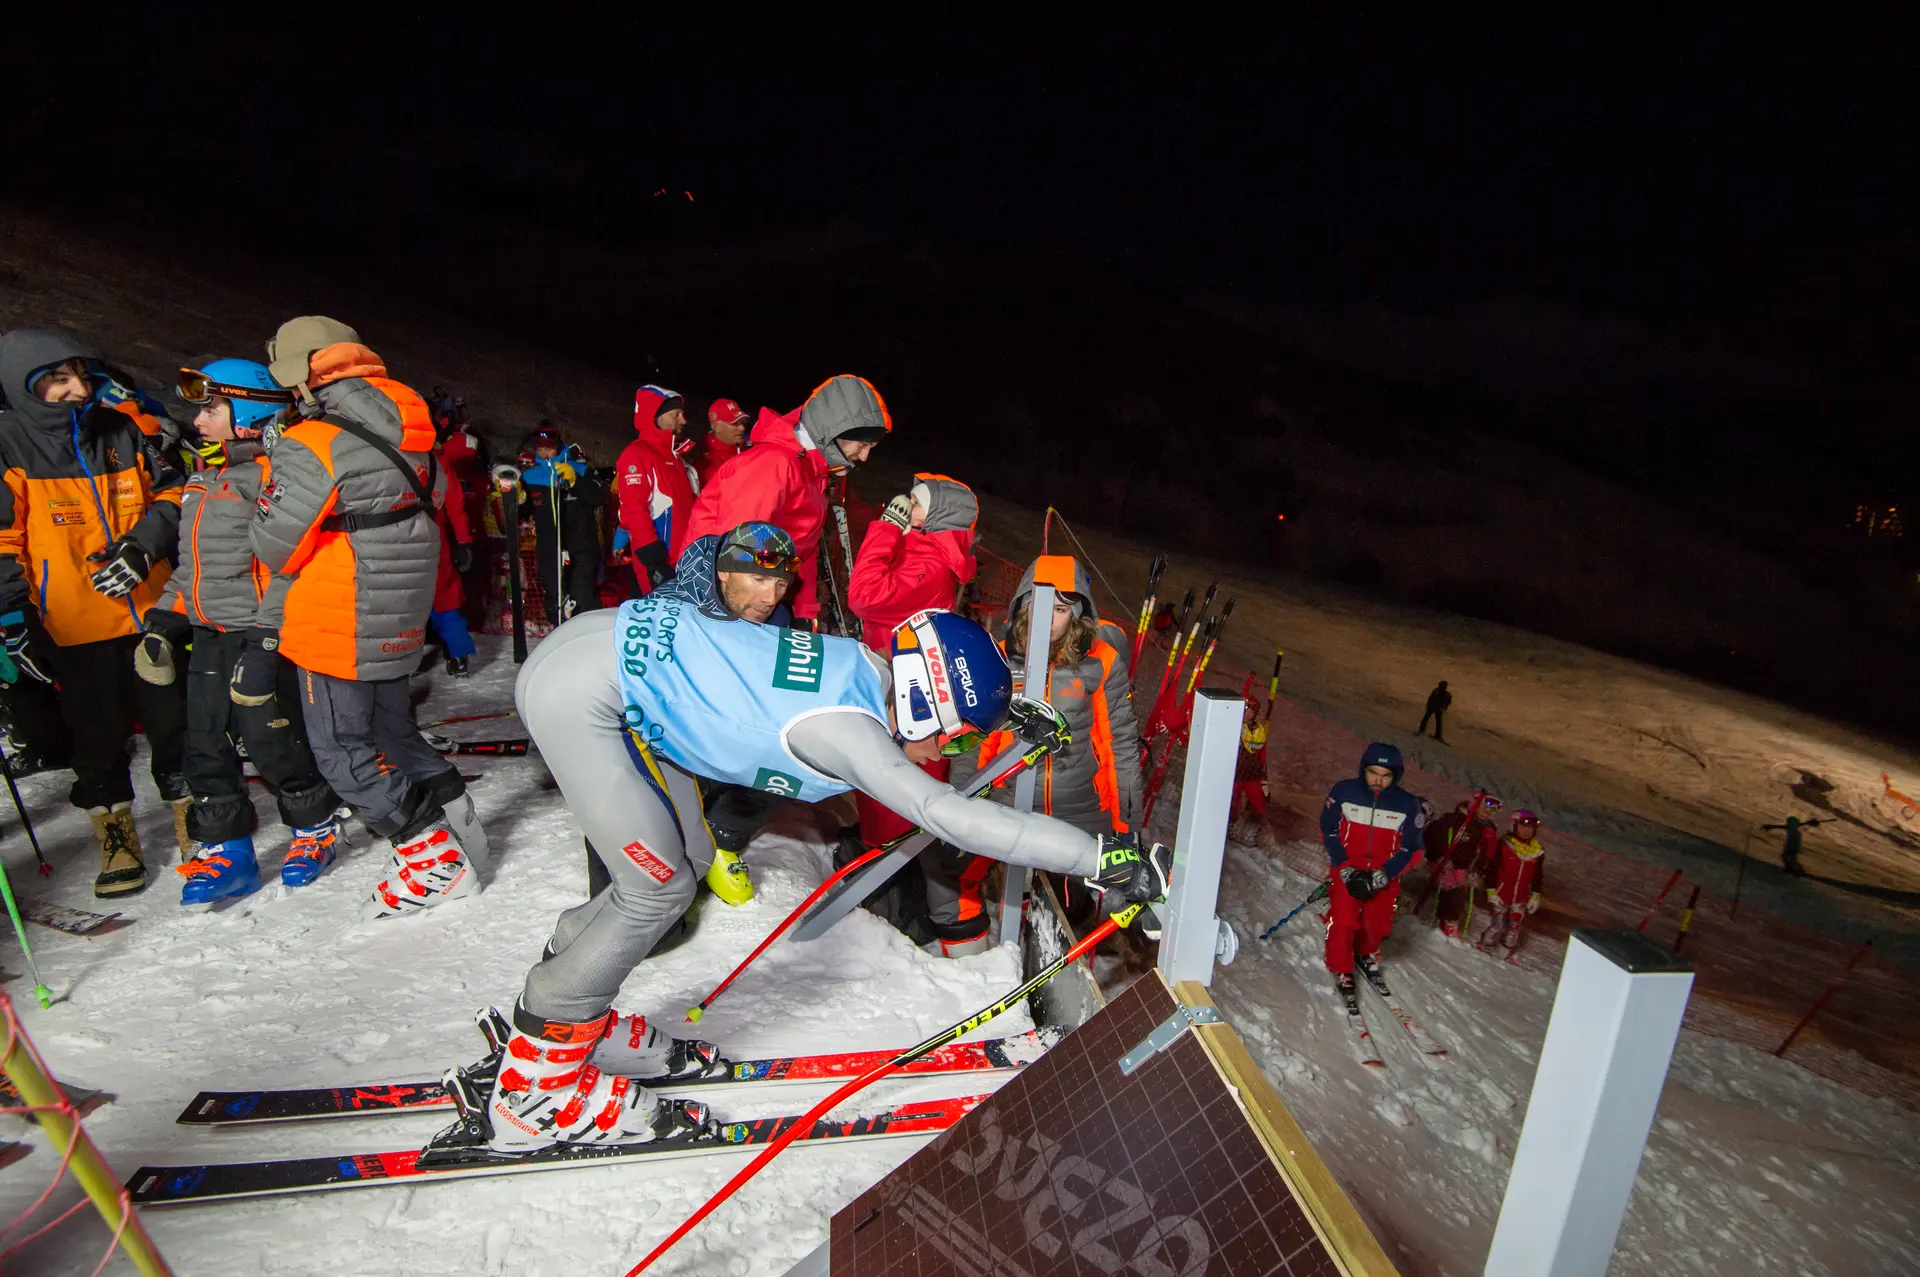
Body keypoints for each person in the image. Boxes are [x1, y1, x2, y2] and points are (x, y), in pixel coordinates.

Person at [473, 521, 1170, 1153]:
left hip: (606, 648)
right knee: (653, 890)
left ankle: (572, 1008)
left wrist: (1005, 710)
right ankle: (537, 1084)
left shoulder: (865, 665)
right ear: (923, 705)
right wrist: (1098, 855)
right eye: (954, 736)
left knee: (687, 861)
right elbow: (953, 816)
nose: (947, 750)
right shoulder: (852, 735)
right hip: (583, 696)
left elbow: (942, 675)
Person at [247, 316, 488, 920]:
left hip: (337, 614)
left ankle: (433, 860)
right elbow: (433, 502)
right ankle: (459, 820)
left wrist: (273, 478)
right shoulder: (413, 425)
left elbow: (275, 547)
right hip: (398, 609)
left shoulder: (312, 439)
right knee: (392, 732)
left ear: (302, 374)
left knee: (341, 751)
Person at [137, 360, 344, 905]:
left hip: (259, 629)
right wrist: (163, 622)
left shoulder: (275, 477)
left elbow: (288, 565)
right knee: (202, 739)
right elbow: (191, 568)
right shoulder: (203, 479)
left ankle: (315, 827)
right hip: (207, 633)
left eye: (212, 408)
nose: (198, 420)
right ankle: (228, 849)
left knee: (269, 735)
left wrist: (270, 635)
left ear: (249, 413)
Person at [0, 329, 190, 895]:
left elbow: (176, 492)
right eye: (59, 380)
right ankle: (116, 837)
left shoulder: (120, 428)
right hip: (71, 625)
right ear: (23, 384)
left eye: (81, 375)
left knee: (175, 724)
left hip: (151, 612)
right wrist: (12, 617)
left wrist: (143, 547)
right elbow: (2, 540)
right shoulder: (8, 445)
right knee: (97, 737)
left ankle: (195, 820)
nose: (78, 389)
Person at [950, 556, 1142, 939]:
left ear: (1077, 612)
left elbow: (1118, 742)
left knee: (1063, 904)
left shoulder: (1101, 661)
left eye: (1060, 609)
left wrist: (1126, 823)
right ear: (1023, 605)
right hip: (1010, 797)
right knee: (959, 869)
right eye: (1040, 606)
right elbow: (977, 736)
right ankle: (972, 941)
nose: (1048, 619)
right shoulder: (999, 656)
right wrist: (961, 797)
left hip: (1078, 808)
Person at [844, 475, 983, 952]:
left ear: (938, 518)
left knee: (891, 799)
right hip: (897, 686)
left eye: (916, 505)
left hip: (903, 700)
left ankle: (896, 900)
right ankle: (892, 879)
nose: (905, 508)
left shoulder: (929, 564)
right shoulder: (924, 552)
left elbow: (863, 596)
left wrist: (885, 527)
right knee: (889, 797)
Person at [676, 375, 892, 630]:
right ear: (832, 431)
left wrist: (804, 611)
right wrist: (734, 626)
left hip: (763, 595)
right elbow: (737, 554)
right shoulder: (773, 464)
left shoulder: (812, 471)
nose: (864, 457)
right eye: (863, 445)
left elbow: (802, 548)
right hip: (714, 599)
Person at [1319, 743, 1426, 994]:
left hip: (1383, 873)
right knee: (1344, 921)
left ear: (1395, 776)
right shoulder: (1344, 791)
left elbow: (1412, 849)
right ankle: (1341, 966)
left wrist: (1385, 874)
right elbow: (1329, 829)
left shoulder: (1407, 805)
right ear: (1363, 770)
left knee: (1376, 926)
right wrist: (1344, 866)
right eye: (1373, 773)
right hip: (1348, 868)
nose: (1378, 781)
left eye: (1385, 776)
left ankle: (1364, 951)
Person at [613, 387, 696, 595]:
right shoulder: (637, 454)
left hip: (685, 562)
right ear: (656, 416)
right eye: (676, 414)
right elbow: (633, 510)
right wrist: (653, 562)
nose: (683, 420)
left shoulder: (676, 458)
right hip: (661, 565)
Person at [521, 424, 606, 622]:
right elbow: (523, 512)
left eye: (549, 448)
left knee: (582, 595)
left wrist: (575, 481)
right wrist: (516, 497)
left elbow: (598, 497)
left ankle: (586, 632)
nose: (545, 453)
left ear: (558, 447)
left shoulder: (581, 470)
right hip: (550, 548)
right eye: (540, 449)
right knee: (555, 598)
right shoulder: (531, 476)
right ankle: (559, 631)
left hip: (581, 546)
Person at [429, 430, 478, 678]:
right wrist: (464, 540)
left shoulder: (387, 457)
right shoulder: (439, 462)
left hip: (396, 540)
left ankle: (402, 658)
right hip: (434, 539)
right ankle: (458, 655)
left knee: (400, 600)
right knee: (445, 598)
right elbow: (455, 505)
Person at [1422, 797, 1500, 938]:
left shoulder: (1489, 830)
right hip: (1443, 861)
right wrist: (1439, 856)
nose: (1486, 812)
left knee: (1459, 889)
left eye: (1491, 811)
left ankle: (1445, 920)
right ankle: (1448, 922)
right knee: (1453, 890)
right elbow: (1433, 836)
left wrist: (1478, 871)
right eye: (1484, 808)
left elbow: (1487, 855)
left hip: (1462, 866)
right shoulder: (1455, 820)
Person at [1482, 810, 1548, 953]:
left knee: (1515, 926)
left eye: (1530, 828)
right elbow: (1492, 869)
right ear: (1514, 826)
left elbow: (1538, 875)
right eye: (1523, 827)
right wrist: (1491, 890)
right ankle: (1486, 943)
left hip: (1520, 897)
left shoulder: (1537, 851)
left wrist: (1535, 895)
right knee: (1498, 924)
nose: (1526, 831)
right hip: (1501, 893)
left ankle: (1507, 948)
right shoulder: (1505, 845)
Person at [693, 398, 751, 490]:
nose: (742, 428)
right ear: (717, 427)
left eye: (743, 422)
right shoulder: (704, 467)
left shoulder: (750, 451)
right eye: (735, 423)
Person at [1761, 814, 1828, 877]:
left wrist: (1770, 826)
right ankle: (1794, 870)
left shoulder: (1793, 828)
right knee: (1788, 857)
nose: (1789, 824)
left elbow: (1788, 827)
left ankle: (1797, 871)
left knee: (1789, 857)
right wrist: (1770, 826)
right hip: (1793, 839)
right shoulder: (1791, 827)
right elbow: (1785, 827)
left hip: (1794, 840)